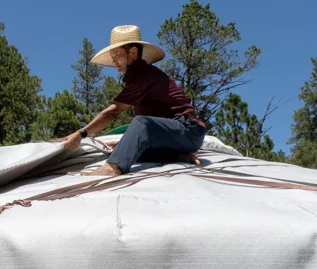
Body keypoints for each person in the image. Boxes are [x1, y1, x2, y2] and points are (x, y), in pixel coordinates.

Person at [56, 25, 206, 176]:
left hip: (188, 130)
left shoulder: (144, 75)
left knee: (142, 123)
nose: (114, 61)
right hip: (174, 138)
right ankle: (178, 156)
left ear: (133, 52)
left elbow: (113, 112)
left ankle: (113, 168)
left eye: (116, 54)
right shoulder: (137, 77)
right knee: (130, 149)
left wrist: (81, 134)